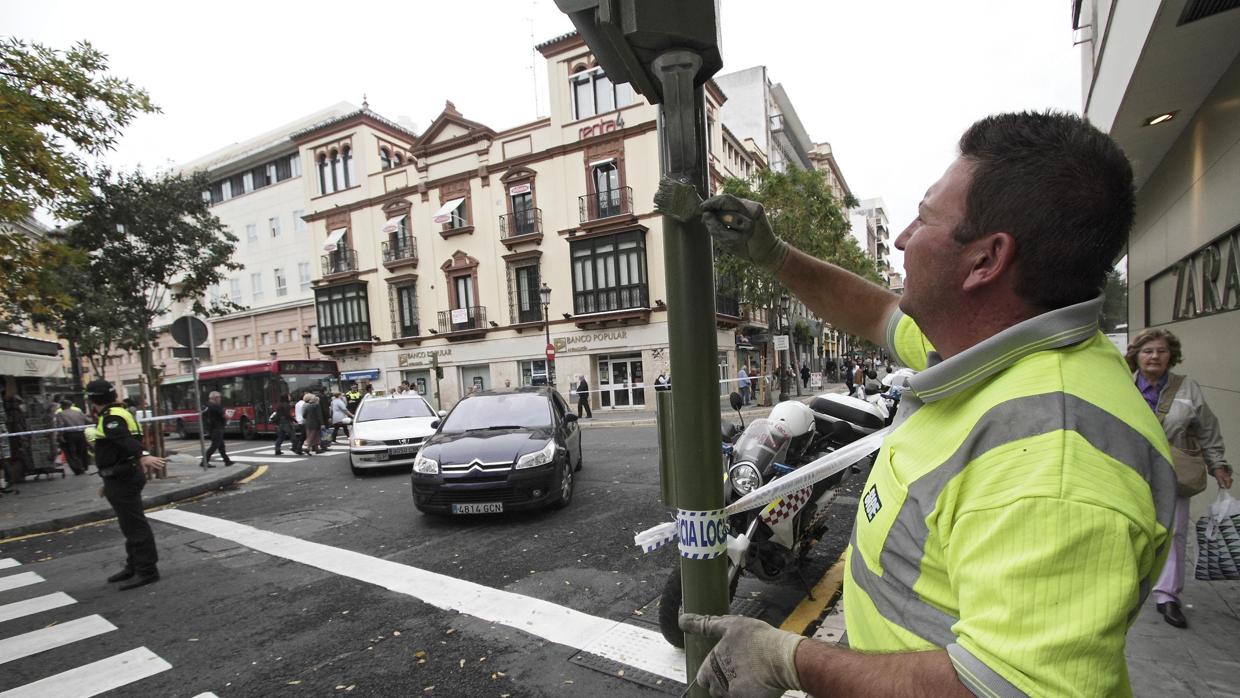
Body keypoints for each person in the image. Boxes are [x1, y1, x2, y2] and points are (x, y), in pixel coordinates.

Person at [658, 111, 1176, 696]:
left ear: (986, 260)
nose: (903, 237)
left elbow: (1004, 688)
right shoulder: (983, 338)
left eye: (925, 217)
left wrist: (789, 660)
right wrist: (774, 254)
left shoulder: (1056, 464)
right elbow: (876, 312)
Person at [1127, 328, 1232, 629]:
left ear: (1171, 355)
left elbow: (1207, 429)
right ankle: (1127, 584)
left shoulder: (1188, 388)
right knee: (1129, 526)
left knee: (1174, 532)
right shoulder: (1124, 386)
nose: (1154, 356)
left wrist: (1219, 465)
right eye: (1147, 351)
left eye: (1161, 351)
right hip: (1132, 468)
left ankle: (1167, 595)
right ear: (1137, 356)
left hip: (1175, 470)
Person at [84, 379, 164, 590]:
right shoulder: (119, 412)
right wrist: (107, 480)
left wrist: (143, 455)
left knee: (135, 526)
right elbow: (115, 450)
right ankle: (134, 566)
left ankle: (147, 571)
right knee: (129, 525)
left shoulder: (111, 417)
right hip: (119, 477)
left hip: (124, 477)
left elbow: (123, 440)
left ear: (92, 399)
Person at [54, 399, 90, 475]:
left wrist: (60, 436)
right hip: (81, 434)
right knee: (81, 451)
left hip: (69, 435)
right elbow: (88, 420)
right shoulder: (78, 412)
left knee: (71, 453)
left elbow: (60, 426)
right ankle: (83, 466)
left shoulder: (60, 414)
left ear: (63, 406)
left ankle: (78, 468)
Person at [200, 391, 233, 468]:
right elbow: (225, 416)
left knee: (221, 446)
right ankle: (204, 462)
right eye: (219, 397)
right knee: (214, 446)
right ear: (215, 398)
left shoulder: (206, 405)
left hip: (210, 429)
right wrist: (229, 416)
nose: (220, 399)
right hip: (217, 428)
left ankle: (227, 461)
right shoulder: (216, 406)